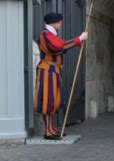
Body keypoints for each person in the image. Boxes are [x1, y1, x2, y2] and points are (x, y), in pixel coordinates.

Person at [34, 12, 88, 140]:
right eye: (59, 21)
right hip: (47, 70)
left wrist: (77, 41)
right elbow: (58, 46)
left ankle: (52, 128)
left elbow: (61, 47)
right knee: (48, 100)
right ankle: (47, 131)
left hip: (54, 70)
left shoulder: (51, 34)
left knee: (53, 100)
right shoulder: (45, 34)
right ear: (55, 22)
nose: (61, 23)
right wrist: (78, 39)